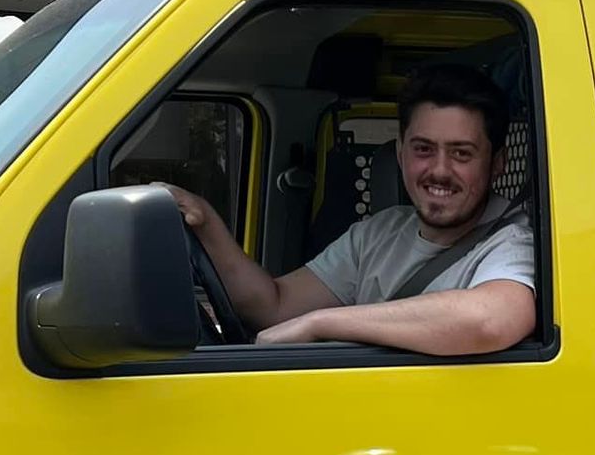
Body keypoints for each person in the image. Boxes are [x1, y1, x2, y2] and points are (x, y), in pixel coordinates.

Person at [161, 64, 535, 355]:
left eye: (461, 153)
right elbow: (273, 306)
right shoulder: (380, 231)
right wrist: (207, 223)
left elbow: (490, 320)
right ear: (400, 152)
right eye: (423, 149)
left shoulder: (513, 241)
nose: (439, 169)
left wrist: (321, 324)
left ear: (498, 162)